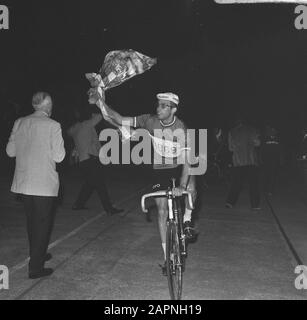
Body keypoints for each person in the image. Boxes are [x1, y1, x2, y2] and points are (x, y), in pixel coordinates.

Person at [96, 92, 197, 275]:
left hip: (178, 166)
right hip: (160, 170)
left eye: (163, 106)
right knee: (161, 211)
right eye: (158, 105)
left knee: (191, 184)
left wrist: (181, 186)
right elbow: (118, 118)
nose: (158, 108)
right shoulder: (149, 120)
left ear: (173, 109)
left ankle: (188, 221)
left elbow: (187, 162)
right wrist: (100, 102)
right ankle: (168, 258)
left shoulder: (182, 129)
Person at [6, 92, 66, 279]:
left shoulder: (19, 122)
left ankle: (38, 254)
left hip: (24, 183)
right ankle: (35, 268)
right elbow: (59, 157)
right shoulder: (53, 125)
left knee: (32, 223)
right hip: (43, 184)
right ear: (48, 106)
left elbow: (10, 151)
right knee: (42, 224)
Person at [67, 106, 123, 215]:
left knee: (90, 183)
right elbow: (99, 116)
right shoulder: (88, 124)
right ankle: (109, 209)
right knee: (100, 184)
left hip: (82, 160)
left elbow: (69, 132)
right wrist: (98, 105)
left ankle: (78, 204)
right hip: (90, 158)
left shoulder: (75, 128)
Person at [225, 116, 261, 210]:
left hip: (238, 161)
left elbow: (230, 148)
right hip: (251, 161)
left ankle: (230, 202)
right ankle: (255, 205)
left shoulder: (231, 132)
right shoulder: (253, 130)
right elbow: (257, 143)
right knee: (253, 185)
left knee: (236, 184)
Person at [261, 125, 281, 195]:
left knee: (272, 175)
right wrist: (261, 159)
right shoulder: (265, 139)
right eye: (271, 131)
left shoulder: (278, 139)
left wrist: (280, 160)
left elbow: (280, 150)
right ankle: (265, 189)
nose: (273, 132)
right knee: (266, 175)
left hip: (275, 160)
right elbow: (262, 150)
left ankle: (270, 190)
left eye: (274, 131)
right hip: (266, 160)